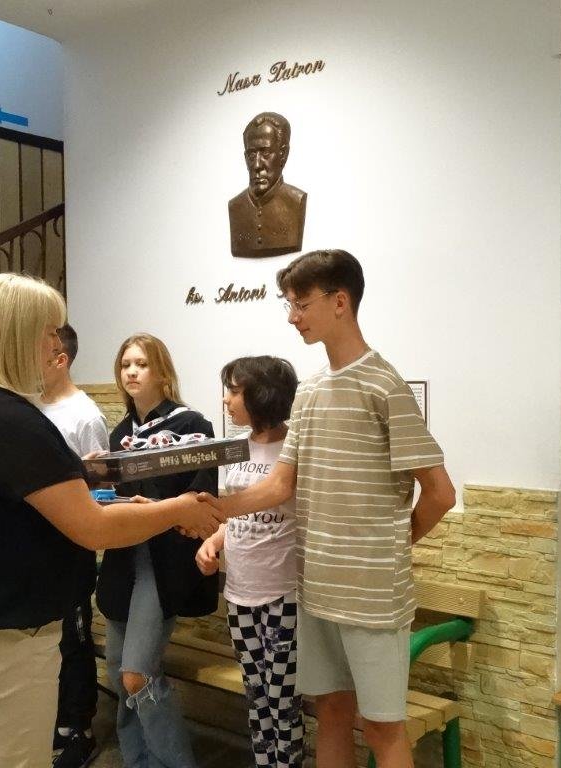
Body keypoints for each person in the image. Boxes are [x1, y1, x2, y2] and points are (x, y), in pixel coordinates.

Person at [0, 274, 222, 768]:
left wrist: (104, 490)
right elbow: (93, 527)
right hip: (3, 637)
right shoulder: (10, 419)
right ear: (18, 333)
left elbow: (22, 498)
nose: (58, 344)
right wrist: (179, 509)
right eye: (49, 331)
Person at [199, 251, 457, 768]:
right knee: (331, 712)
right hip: (315, 589)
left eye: (301, 304)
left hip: (372, 596)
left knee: (382, 728)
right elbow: (280, 484)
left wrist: (394, 543)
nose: (293, 317)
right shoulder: (311, 391)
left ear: (340, 301)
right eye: (289, 305)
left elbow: (440, 493)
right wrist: (214, 510)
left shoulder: (384, 385)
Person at [96, 333, 220, 768]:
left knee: (137, 675)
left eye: (141, 364)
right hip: (123, 561)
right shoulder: (119, 435)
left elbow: (202, 500)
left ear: (162, 372)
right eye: (125, 364)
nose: (131, 372)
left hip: (164, 564)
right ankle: (139, 761)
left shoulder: (192, 426)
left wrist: (154, 509)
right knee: (118, 672)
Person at [195, 355, 303, 768]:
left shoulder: (294, 448)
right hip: (239, 593)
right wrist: (213, 542)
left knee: (282, 700)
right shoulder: (235, 448)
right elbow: (236, 514)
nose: (226, 400)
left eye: (235, 391)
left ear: (263, 395)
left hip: (282, 595)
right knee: (256, 696)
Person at [38, 323, 109, 768]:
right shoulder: (27, 408)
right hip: (34, 548)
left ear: (59, 358)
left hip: (71, 548)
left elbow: (99, 491)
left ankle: (79, 729)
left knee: (74, 638)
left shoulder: (85, 416)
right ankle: (55, 720)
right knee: (45, 640)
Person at [228, 112, 307, 258]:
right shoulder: (235, 205)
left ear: (283, 154)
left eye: (265, 153)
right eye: (251, 155)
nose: (257, 165)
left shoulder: (296, 200)